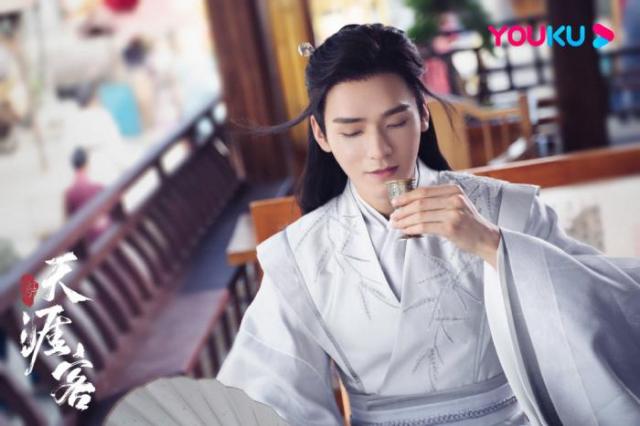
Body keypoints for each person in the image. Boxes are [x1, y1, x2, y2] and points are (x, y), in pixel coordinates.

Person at [217, 24, 640, 425]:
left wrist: (495, 246)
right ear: (322, 134)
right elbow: (266, 396)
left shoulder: (504, 210)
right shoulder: (300, 256)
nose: (379, 150)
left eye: (396, 123)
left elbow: (615, 305)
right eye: (352, 132)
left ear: (422, 114)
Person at [64, 147, 110, 241]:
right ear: (87, 163)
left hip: (88, 242)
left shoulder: (69, 193)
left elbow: (69, 223)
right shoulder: (97, 187)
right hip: (105, 236)